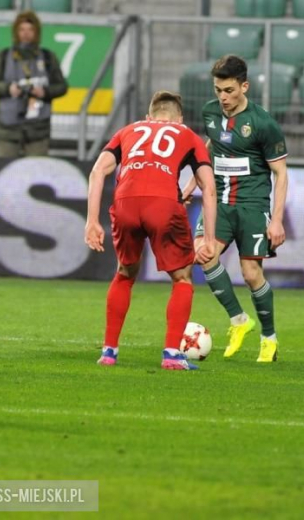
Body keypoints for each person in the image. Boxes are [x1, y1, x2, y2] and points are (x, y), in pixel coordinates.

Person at [84, 90, 217, 371]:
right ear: (178, 119)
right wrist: (209, 236)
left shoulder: (128, 130)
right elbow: (209, 187)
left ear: (149, 117)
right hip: (163, 205)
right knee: (182, 278)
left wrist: (92, 220)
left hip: (125, 203)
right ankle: (171, 355)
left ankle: (109, 352)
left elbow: (98, 171)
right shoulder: (188, 135)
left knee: (124, 272)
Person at [181, 54, 288, 363]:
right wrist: (191, 185)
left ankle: (269, 339)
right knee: (203, 252)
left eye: (228, 90)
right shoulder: (210, 112)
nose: (223, 98)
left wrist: (277, 219)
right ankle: (239, 320)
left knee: (251, 273)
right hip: (219, 201)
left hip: (252, 204)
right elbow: (212, 145)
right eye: (218, 90)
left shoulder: (263, 123)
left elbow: (281, 172)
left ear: (244, 86)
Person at [0, 10, 68, 158]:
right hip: (8, 129)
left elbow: (62, 87)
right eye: (22, 29)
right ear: (16, 32)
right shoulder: (3, 56)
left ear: (37, 32)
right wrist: (8, 89)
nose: (26, 34)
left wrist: (44, 92)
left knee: (37, 172)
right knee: (5, 173)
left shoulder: (48, 57)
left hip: (38, 129)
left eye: (30, 29)